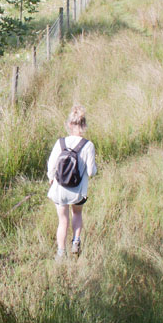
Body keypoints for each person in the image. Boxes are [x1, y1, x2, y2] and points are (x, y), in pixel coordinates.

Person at [47, 105, 97, 259]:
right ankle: (76, 241)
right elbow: (91, 172)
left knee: (62, 221)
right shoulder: (88, 145)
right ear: (84, 125)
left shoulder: (60, 142)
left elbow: (51, 167)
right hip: (78, 191)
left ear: (69, 124)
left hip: (60, 189)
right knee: (77, 213)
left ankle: (61, 253)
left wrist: (51, 178)